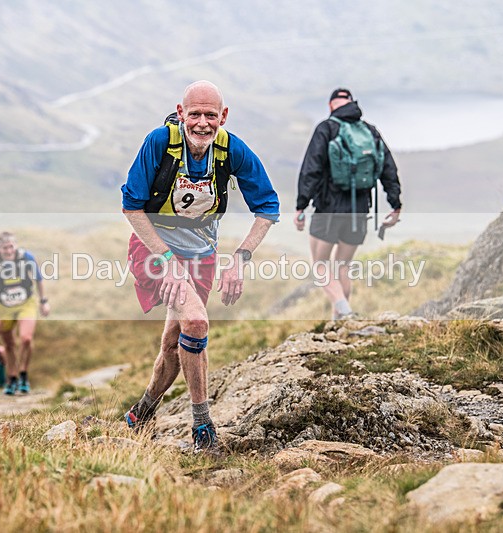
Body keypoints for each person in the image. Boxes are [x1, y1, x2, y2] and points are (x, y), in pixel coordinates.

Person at [121, 80, 280, 452]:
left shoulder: (231, 150)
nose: (203, 123)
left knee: (174, 342)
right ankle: (203, 427)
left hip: (202, 254)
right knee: (195, 322)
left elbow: (268, 208)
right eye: (195, 114)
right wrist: (168, 262)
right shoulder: (159, 143)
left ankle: (141, 413)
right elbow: (131, 207)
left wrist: (239, 258)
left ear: (223, 116)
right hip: (154, 249)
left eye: (211, 115)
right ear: (181, 113)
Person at [295, 88, 402, 320]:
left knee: (320, 265)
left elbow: (311, 169)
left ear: (331, 105)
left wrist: (301, 206)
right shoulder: (370, 131)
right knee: (342, 266)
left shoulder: (326, 128)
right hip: (360, 210)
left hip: (329, 208)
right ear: (352, 103)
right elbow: (388, 169)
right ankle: (341, 321)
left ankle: (343, 309)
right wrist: (395, 204)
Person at [0, 231, 50, 395]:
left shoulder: (26, 258)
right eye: (5, 248)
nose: (9, 250)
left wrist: (43, 301)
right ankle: (12, 378)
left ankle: (23, 374)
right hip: (3, 307)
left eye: (11, 246)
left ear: (16, 245)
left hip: (26, 304)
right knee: (9, 344)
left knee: (26, 338)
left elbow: (39, 279)